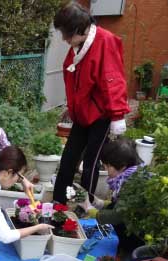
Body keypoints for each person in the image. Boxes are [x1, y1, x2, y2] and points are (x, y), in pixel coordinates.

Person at [52, 2, 129, 205]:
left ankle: (83, 206)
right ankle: (58, 204)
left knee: (90, 164)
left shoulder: (106, 41)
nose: (64, 39)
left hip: (101, 115)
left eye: (66, 34)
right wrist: (72, 107)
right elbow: (77, 81)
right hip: (82, 114)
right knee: (68, 159)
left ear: (79, 29)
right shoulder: (77, 45)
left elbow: (112, 80)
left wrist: (117, 115)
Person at [81, 137, 146, 257]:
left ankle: (127, 253)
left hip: (139, 235)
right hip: (134, 223)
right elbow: (121, 203)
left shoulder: (133, 183)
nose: (105, 169)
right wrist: (100, 203)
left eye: (107, 166)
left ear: (122, 166)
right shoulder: (132, 175)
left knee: (120, 226)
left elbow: (119, 215)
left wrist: (92, 212)